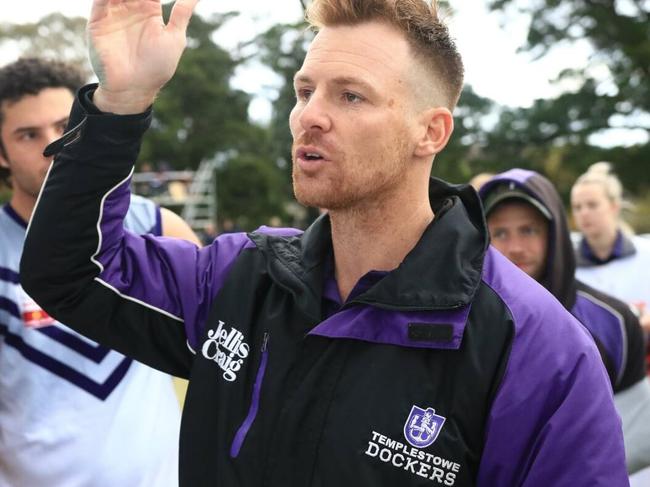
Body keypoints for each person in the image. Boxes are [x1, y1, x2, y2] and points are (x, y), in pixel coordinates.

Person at [20, 1, 628, 485]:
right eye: (305, 90)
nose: (310, 115)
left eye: (350, 95)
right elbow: (70, 272)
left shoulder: (536, 348)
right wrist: (121, 104)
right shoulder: (241, 277)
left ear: (431, 131)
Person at [0, 57, 200, 486]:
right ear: (2, 152)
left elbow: (218, 350)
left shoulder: (157, 226)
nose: (52, 144)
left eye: (63, 125)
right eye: (28, 134)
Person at [479, 168, 650, 475]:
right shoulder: (457, 322)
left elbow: (637, 432)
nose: (515, 247)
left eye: (528, 230)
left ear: (553, 232)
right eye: (501, 233)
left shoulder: (613, 322)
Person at [572, 162, 650, 334]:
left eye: (592, 205)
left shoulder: (646, 253)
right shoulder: (565, 263)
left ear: (614, 206)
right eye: (577, 207)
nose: (583, 213)